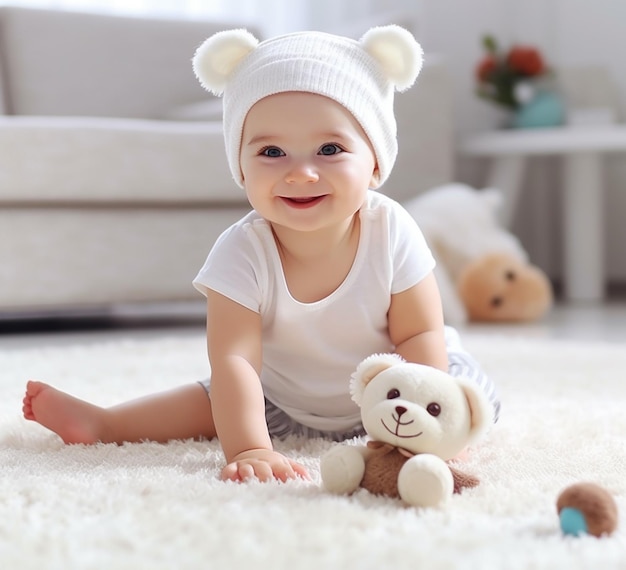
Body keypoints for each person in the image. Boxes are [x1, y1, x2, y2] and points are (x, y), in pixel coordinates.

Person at [22, 25, 500, 483]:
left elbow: (418, 333)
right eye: (272, 153)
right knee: (219, 400)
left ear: (375, 163)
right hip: (284, 401)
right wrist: (250, 446)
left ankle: (438, 414)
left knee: (470, 396)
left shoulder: (391, 229)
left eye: (330, 149)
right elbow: (235, 359)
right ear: (242, 169)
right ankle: (106, 425)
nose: (301, 174)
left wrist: (430, 415)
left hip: (395, 390)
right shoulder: (241, 251)